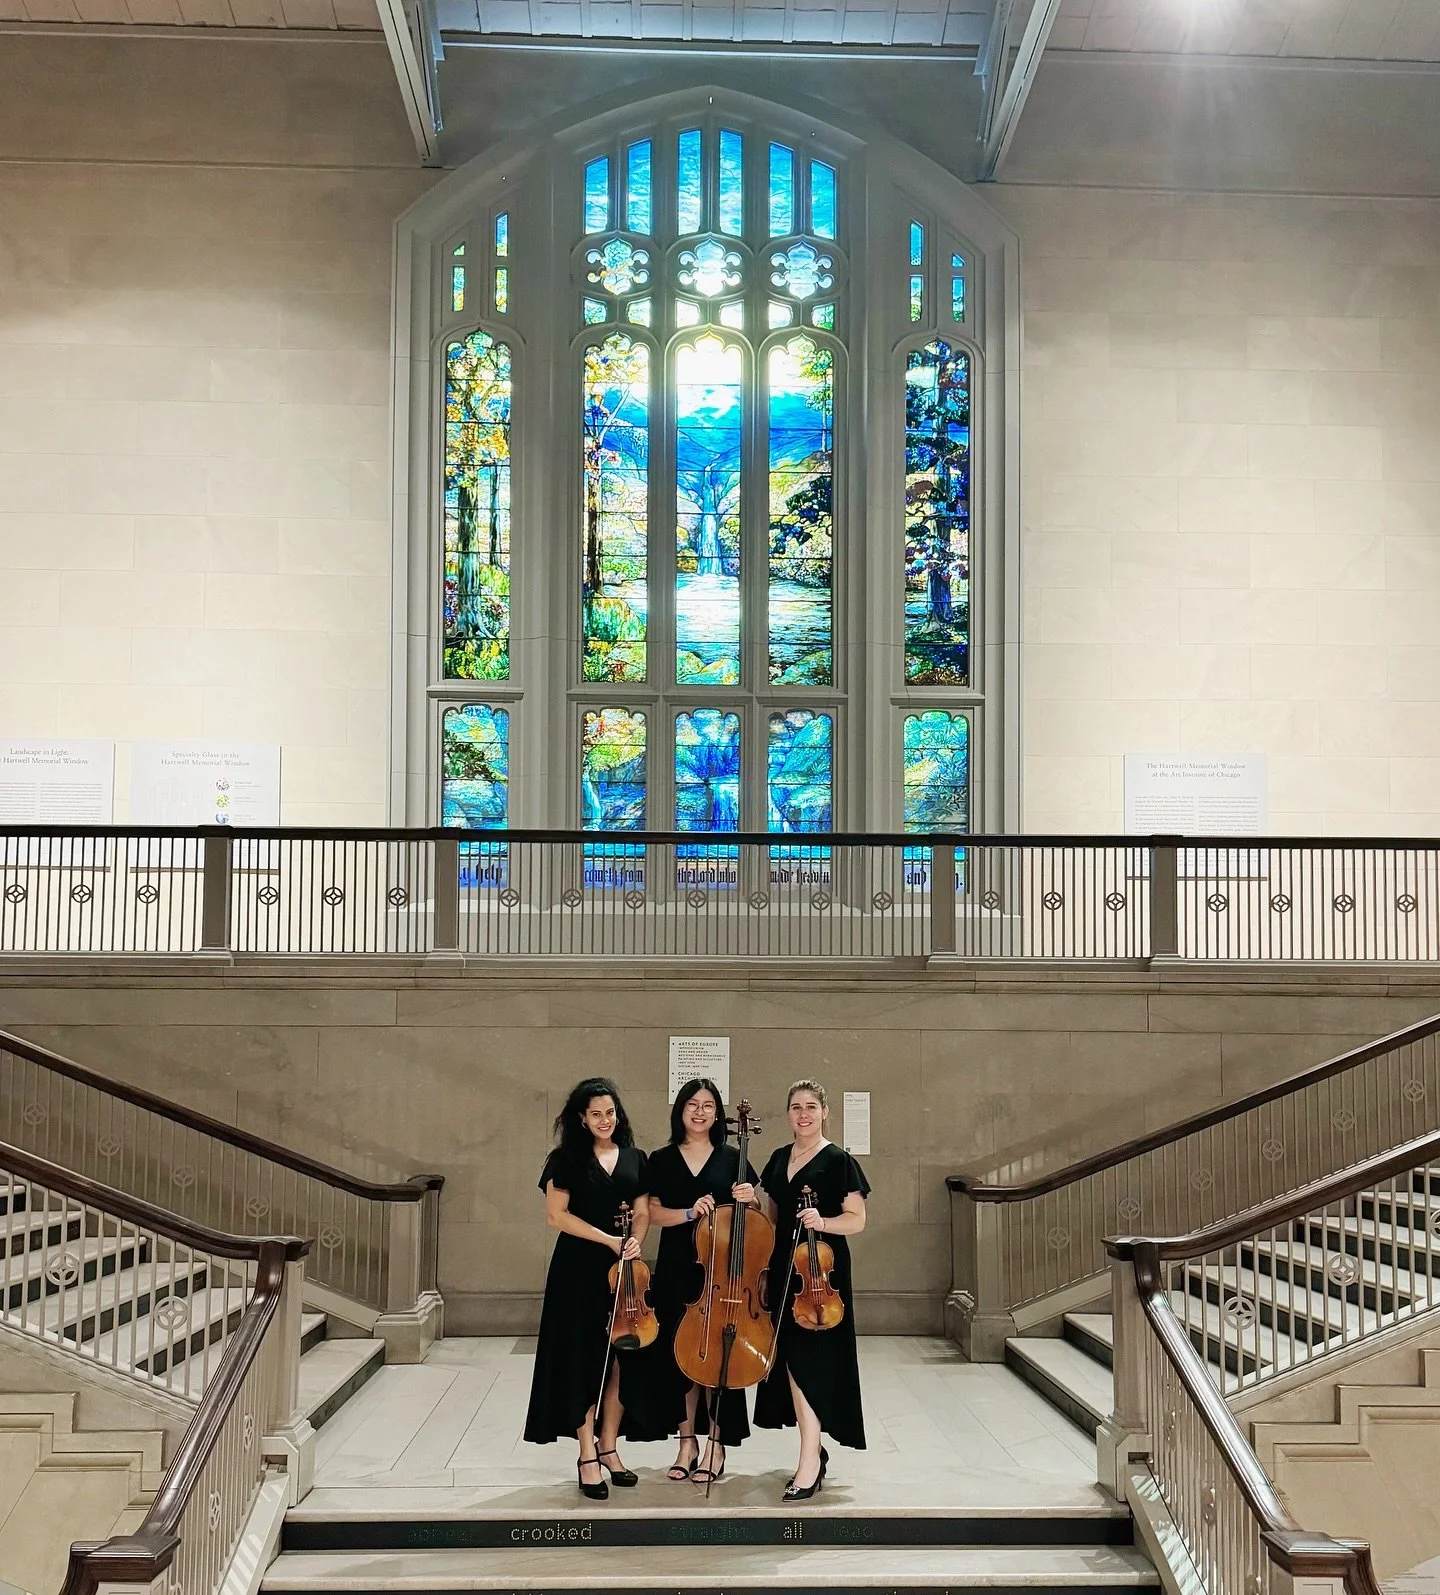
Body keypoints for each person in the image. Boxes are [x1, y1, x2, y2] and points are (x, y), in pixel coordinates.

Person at [734, 1077, 869, 1503]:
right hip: (783, 1269)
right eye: (796, 1107)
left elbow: (856, 1219)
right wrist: (750, 1203)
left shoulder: (839, 1161)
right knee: (790, 1361)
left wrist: (823, 1223)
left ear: (825, 1112)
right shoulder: (779, 1159)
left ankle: (809, 1463)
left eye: (811, 1106)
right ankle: (813, 1450)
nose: (804, 1113)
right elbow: (774, 1220)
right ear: (789, 1113)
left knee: (814, 1362)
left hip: (820, 1275)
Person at [523, 1077, 656, 1499]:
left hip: (626, 1272)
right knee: (581, 1358)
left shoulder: (636, 1157)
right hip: (578, 1269)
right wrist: (610, 1241)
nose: (605, 1120)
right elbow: (556, 1216)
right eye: (596, 1113)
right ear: (581, 1118)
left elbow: (642, 1210)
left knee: (622, 1357)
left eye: (611, 1112)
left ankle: (609, 1446)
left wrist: (635, 1242)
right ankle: (586, 1454)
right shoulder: (564, 1160)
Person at [645, 1078, 758, 1484]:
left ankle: (717, 1442)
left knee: (719, 1356)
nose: (699, 1111)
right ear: (680, 1111)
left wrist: (752, 1200)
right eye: (692, 1104)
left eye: (708, 1105)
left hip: (724, 1274)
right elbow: (651, 1214)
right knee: (681, 1356)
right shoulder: (660, 1158)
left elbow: (759, 1217)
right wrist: (690, 1214)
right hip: (678, 1268)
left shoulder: (733, 1159)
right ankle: (686, 1440)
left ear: (718, 1113)